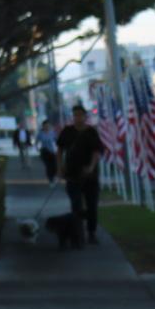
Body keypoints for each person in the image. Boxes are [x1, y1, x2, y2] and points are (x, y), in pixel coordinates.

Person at [57, 102, 106, 245]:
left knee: (92, 206)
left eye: (80, 115)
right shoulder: (67, 131)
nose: (78, 118)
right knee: (76, 205)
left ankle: (91, 232)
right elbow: (60, 151)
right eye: (75, 115)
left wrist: (91, 167)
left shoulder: (91, 132)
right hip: (72, 175)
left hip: (90, 176)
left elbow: (97, 152)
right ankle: (77, 233)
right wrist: (60, 168)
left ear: (85, 116)